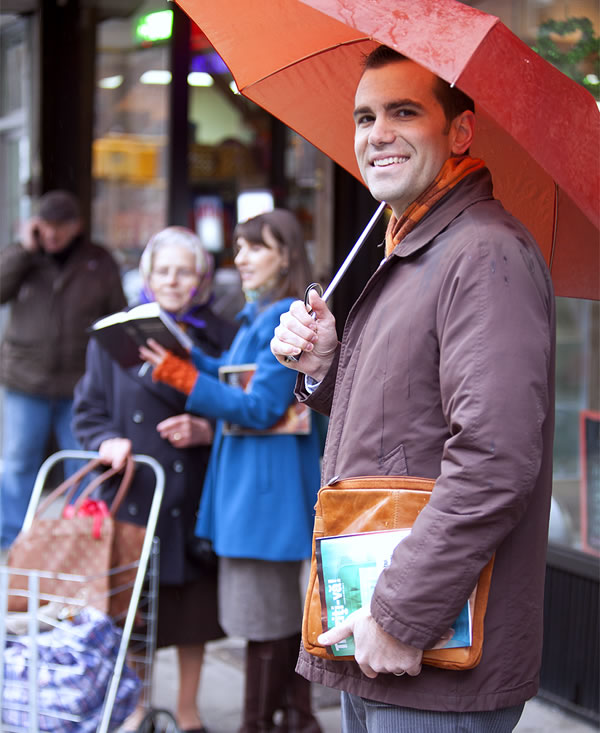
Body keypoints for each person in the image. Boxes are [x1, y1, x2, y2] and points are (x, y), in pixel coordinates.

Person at [270, 46, 556, 733]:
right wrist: (326, 366)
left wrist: (401, 613)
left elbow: (495, 459)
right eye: (365, 116)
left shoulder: (482, 252)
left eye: (404, 111)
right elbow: (407, 428)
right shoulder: (416, 246)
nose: (377, 133)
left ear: (460, 132)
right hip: (378, 629)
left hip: (427, 646)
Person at [139, 210, 323, 733]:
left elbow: (261, 405)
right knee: (275, 620)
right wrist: (189, 356)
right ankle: (294, 720)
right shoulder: (259, 315)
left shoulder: (281, 314)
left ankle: (261, 724)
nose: (238, 259)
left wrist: (179, 371)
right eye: (238, 248)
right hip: (258, 488)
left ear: (285, 254)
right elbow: (236, 378)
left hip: (266, 493)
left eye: (254, 248)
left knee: (266, 621)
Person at [72, 226, 238, 733]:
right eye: (162, 270)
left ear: (202, 278)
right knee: (135, 614)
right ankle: (139, 707)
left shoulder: (221, 336)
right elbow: (88, 412)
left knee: (193, 616)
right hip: (135, 493)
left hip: (192, 495)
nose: (172, 280)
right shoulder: (113, 336)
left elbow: (249, 412)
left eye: (184, 271)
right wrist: (106, 442)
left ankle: (187, 712)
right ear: (146, 275)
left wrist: (207, 429)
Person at [0, 190, 126, 551]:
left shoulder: (98, 261)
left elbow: (116, 315)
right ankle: (14, 541)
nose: (52, 234)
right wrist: (25, 249)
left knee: (81, 463)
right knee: (19, 462)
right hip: (26, 378)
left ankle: (73, 542)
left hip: (79, 383)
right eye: (46, 226)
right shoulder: (24, 257)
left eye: (60, 226)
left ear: (76, 226)